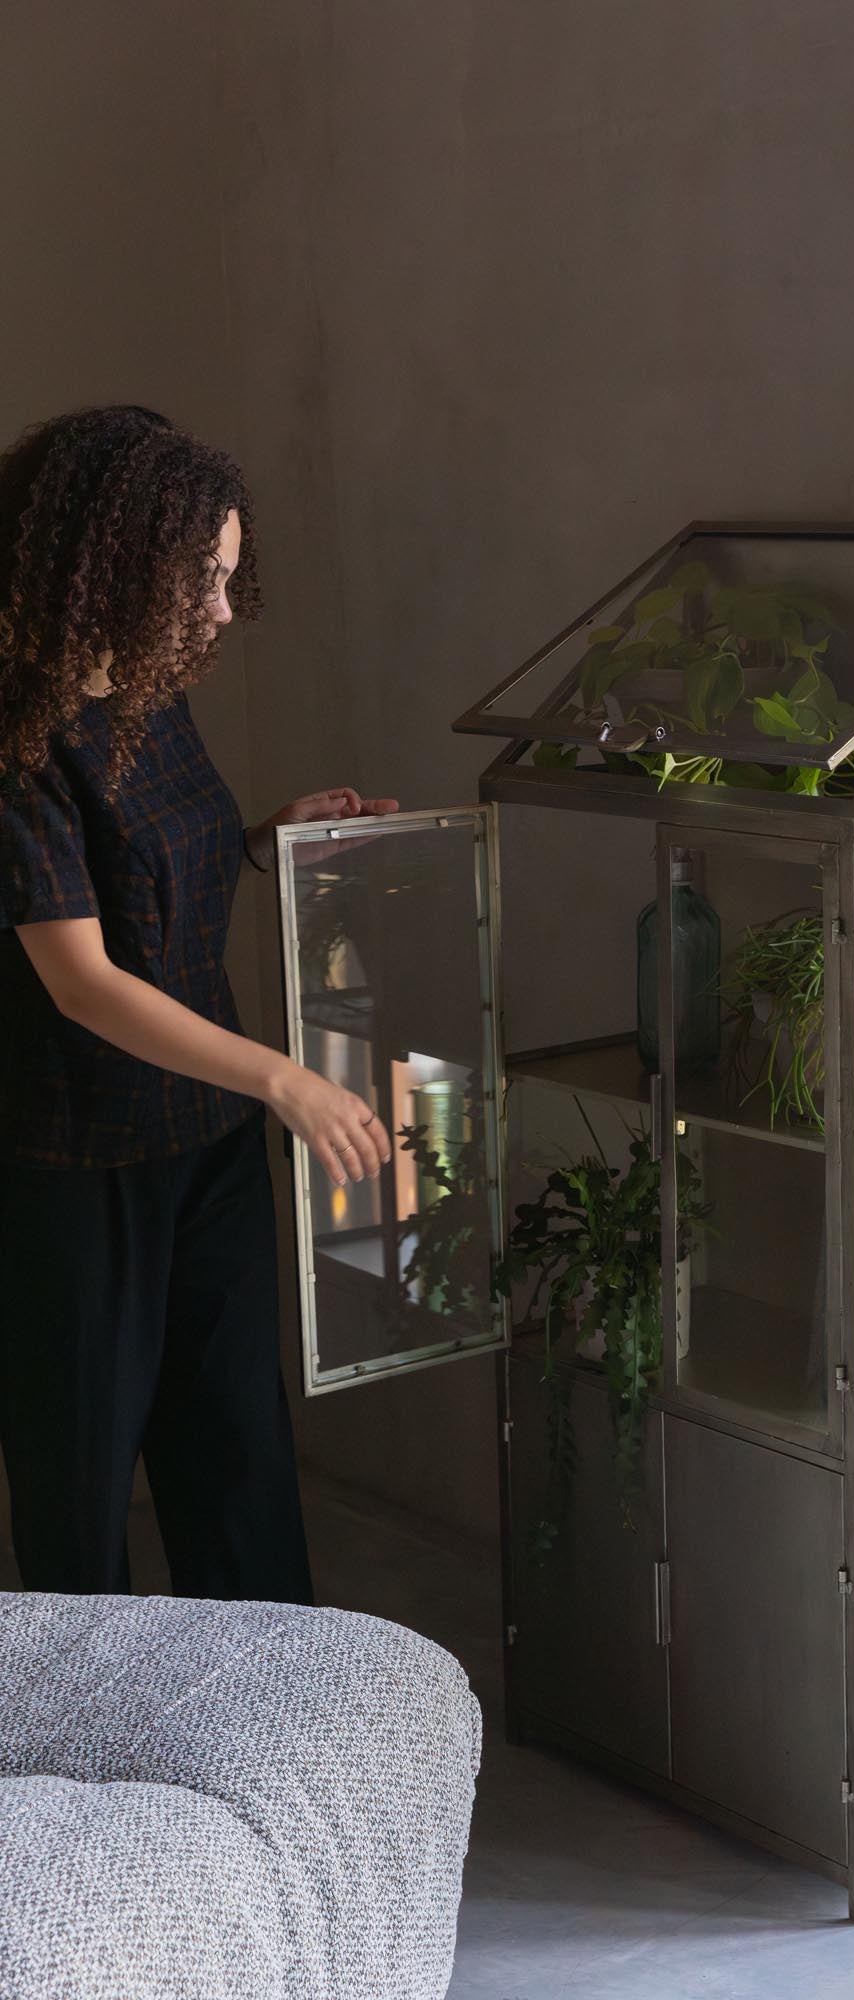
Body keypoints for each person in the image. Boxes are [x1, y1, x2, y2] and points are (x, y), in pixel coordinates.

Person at [0, 404, 399, 1601]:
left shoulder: (143, 686)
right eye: (204, 581)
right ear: (112, 569)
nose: (224, 609)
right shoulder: (17, 738)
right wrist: (283, 1076)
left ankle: (273, 1733)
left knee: (237, 1453)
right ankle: (88, 1749)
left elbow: (144, 873)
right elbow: (82, 981)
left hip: (203, 1136)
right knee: (78, 1483)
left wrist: (273, 834)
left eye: (227, 577)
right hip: (80, 1159)